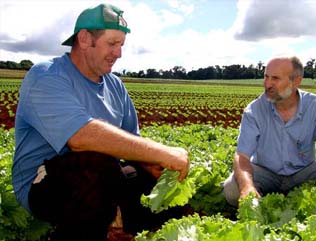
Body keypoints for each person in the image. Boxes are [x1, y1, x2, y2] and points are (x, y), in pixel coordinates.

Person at [12, 4, 189, 241]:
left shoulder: (115, 85)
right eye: (112, 43)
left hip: (107, 176)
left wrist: (152, 164)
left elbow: (131, 142)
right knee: (96, 166)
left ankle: (123, 229)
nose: (119, 53)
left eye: (121, 45)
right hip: (42, 182)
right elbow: (80, 138)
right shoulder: (46, 76)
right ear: (85, 39)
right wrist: (163, 152)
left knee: (157, 184)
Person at [222, 56, 316, 208]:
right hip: (266, 173)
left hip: (304, 172)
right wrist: (246, 186)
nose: (267, 84)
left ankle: (311, 200)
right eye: (266, 77)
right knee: (232, 191)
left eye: (275, 78)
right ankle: (260, 198)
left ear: (296, 81)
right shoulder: (254, 110)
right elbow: (242, 156)